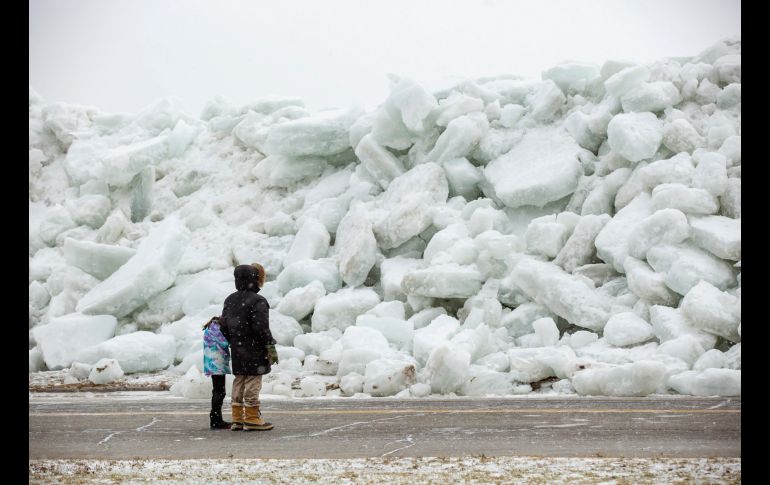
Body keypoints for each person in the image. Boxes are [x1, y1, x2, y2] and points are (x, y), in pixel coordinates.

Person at [219, 263, 278, 431]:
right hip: (255, 348)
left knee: (239, 380)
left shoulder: (230, 299)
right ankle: (252, 417)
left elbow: (223, 325)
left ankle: (237, 418)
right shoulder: (258, 300)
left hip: (237, 348)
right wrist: (270, 347)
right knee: (253, 380)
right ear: (255, 279)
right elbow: (261, 328)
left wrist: (233, 341)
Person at [202, 316, 231, 429]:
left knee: (218, 391)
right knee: (219, 391)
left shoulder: (210, 328)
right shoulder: (216, 328)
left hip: (212, 362)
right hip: (216, 363)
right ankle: (215, 420)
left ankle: (216, 418)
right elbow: (224, 343)